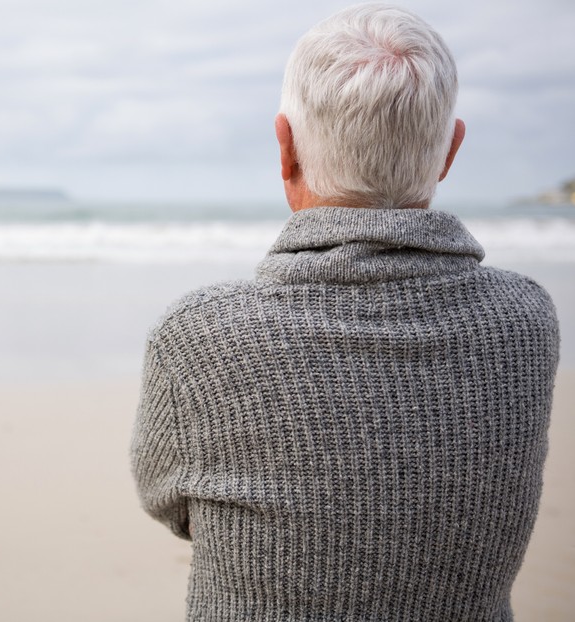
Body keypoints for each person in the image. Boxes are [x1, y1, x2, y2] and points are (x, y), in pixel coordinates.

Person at [130, 4, 560, 620]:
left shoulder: (202, 335)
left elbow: (169, 504)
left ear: (287, 148)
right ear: (449, 150)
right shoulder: (524, 317)